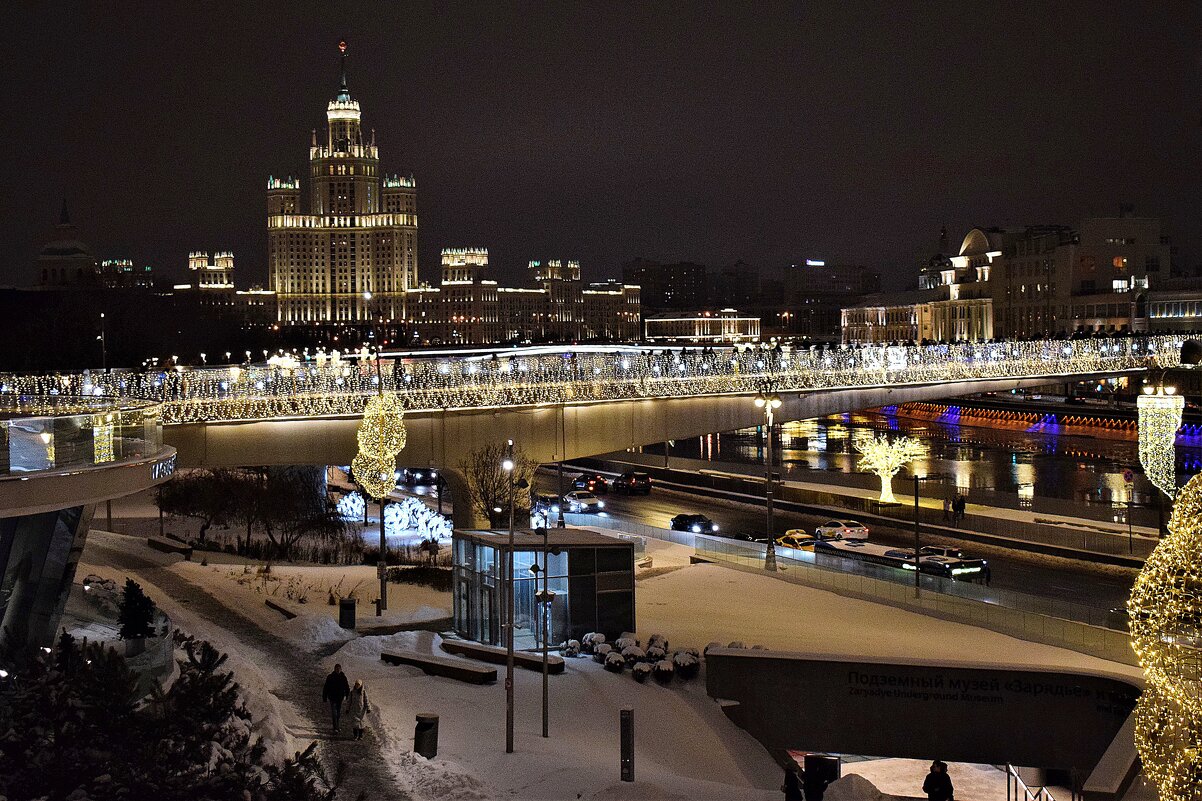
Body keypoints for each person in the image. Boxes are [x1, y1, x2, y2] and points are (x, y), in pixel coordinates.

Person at [322, 663, 351, 733]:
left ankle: (337, 726)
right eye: (336, 669)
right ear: (334, 669)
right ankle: (335, 727)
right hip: (332, 698)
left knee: (338, 712)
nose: (338, 670)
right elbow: (326, 687)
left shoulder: (343, 677)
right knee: (334, 712)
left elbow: (347, 687)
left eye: (339, 669)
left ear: (341, 669)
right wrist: (324, 697)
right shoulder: (330, 677)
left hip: (340, 698)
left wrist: (347, 695)